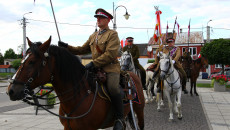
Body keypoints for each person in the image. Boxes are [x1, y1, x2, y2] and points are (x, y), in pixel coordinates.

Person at [58, 8, 125, 130]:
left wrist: (93, 63)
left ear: (108, 20)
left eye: (101, 18)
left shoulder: (112, 34)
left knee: (113, 88)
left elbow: (110, 54)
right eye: (97, 18)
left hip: (110, 68)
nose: (98, 20)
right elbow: (81, 50)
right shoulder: (93, 36)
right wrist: (67, 47)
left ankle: (119, 118)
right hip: (95, 68)